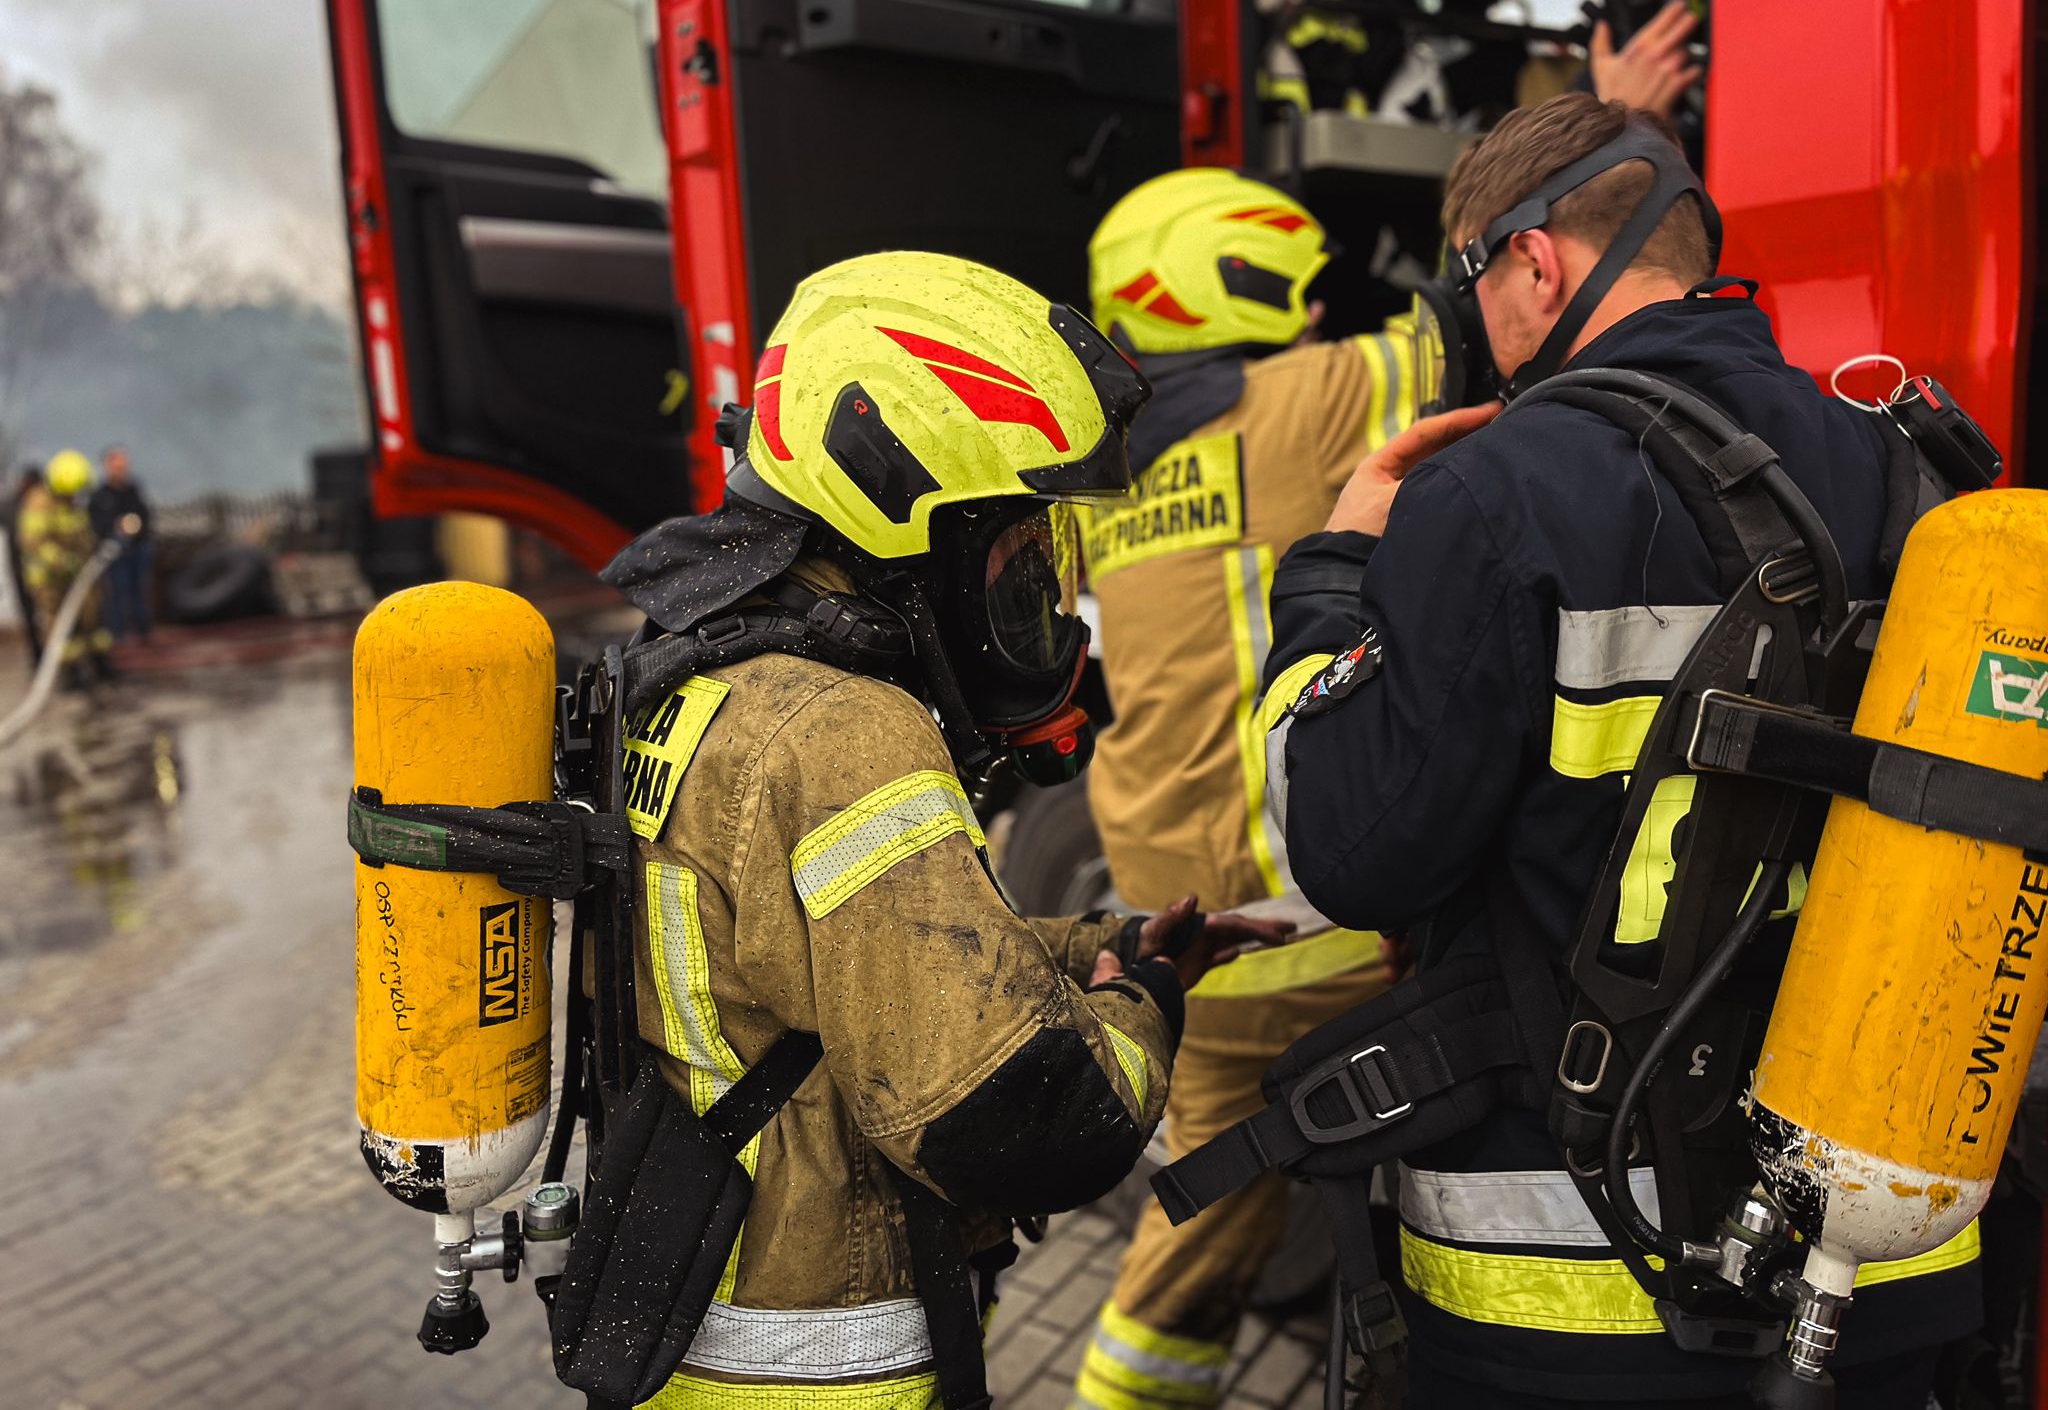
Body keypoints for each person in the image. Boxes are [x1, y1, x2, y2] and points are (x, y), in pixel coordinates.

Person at [1258, 96, 1981, 1406]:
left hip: (1566, 1297)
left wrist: (1331, 576)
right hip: (1885, 1262)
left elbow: (1353, 857)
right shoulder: (1905, 470)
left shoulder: (1493, 493)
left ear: (1532, 263)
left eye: (1471, 284)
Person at [591, 251, 1294, 1409]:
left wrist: (1097, 948)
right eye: (1018, 556)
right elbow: (1027, 1122)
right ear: (905, 520)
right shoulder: (843, 731)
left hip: (698, 1321)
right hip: (825, 1363)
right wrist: (1146, 1005)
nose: (1041, 602)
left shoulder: (687, 680)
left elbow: (817, 965)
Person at [1070, 166, 1415, 1410]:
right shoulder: (1312, 395)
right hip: (1319, 929)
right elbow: (1515, 308)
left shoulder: (1100, 474)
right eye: (1298, 290)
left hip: (1183, 932)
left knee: (1196, 1228)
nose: (1318, 315)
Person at [17, 449, 111, 687]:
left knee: (91, 619)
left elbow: (81, 534)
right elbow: (34, 543)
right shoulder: (39, 503)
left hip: (77, 575)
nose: (75, 497)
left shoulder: (72, 504)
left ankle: (99, 664)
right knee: (60, 628)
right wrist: (62, 561)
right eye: (72, 492)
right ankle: (69, 675)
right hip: (49, 580)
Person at [89, 445, 153, 643]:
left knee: (138, 591)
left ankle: (143, 632)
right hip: (114, 551)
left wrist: (135, 526)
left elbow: (145, 516)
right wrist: (115, 527)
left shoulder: (133, 490)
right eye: (117, 466)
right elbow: (96, 524)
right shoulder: (100, 495)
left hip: (138, 548)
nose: (121, 470)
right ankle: (118, 635)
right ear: (108, 467)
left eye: (123, 466)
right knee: (117, 592)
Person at [6, 464, 46, 666]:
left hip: (45, 572)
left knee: (50, 616)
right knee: (30, 616)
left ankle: (55, 659)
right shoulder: (11, 505)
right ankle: (38, 658)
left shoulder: (45, 505)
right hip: (21, 570)